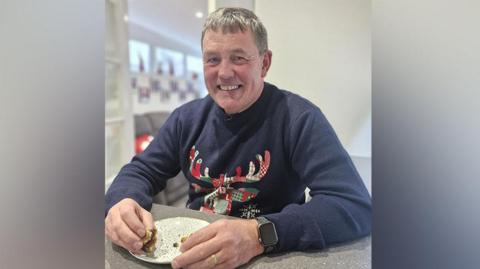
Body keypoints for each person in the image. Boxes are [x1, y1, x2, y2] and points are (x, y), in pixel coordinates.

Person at [105, 7, 371, 269]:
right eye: (212, 59)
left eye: (238, 58)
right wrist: (123, 201)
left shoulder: (299, 118)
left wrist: (258, 234)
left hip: (270, 255)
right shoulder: (185, 119)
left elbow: (354, 205)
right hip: (189, 251)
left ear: (264, 63)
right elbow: (141, 170)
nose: (224, 73)